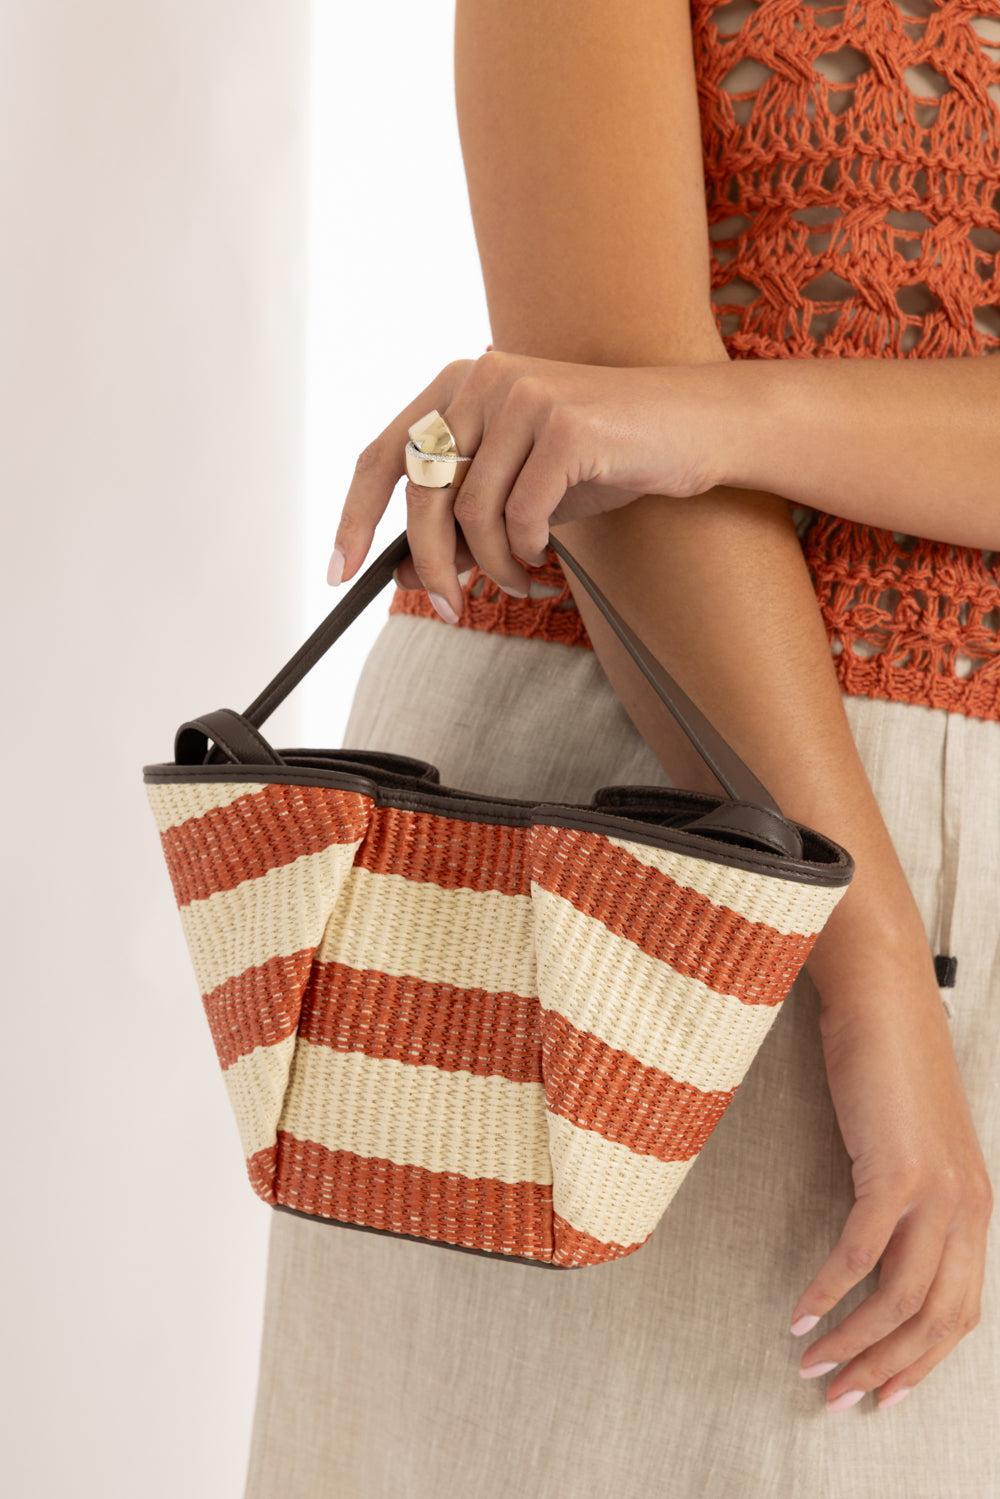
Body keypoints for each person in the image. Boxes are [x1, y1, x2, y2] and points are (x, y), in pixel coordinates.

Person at [244, 2, 999, 1494]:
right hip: (661, 808)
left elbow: (618, 408)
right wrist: (870, 965)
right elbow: (595, 398)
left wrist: (712, 418)